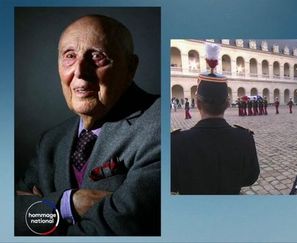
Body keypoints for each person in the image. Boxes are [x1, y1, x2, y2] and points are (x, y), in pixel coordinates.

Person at [15, 15, 160, 235]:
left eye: (97, 56)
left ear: (130, 67)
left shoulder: (160, 123)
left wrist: (43, 209)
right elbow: (12, 216)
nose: (80, 71)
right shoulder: (51, 141)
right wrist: (68, 203)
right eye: (70, 56)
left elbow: (124, 228)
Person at [171, 43, 260, 194]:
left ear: (198, 103)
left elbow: (172, 184)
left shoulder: (176, 142)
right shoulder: (245, 138)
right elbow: (250, 177)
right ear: (227, 104)